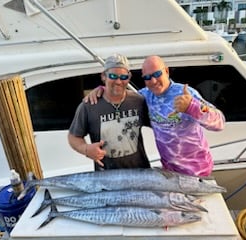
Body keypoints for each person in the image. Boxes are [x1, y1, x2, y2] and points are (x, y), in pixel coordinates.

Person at [85, 55, 225, 176]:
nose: (153, 81)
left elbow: (220, 123)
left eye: (157, 74)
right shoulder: (145, 95)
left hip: (197, 171)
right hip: (169, 171)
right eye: (147, 77)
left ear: (166, 71)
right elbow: (122, 98)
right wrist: (103, 90)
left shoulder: (186, 94)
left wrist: (193, 107)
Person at [68, 53, 151, 171]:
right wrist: (86, 149)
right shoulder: (88, 106)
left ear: (129, 77)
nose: (118, 81)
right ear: (103, 76)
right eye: (113, 76)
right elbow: (73, 137)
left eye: (123, 77)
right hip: (107, 178)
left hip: (141, 174)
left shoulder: (139, 101)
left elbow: (160, 124)